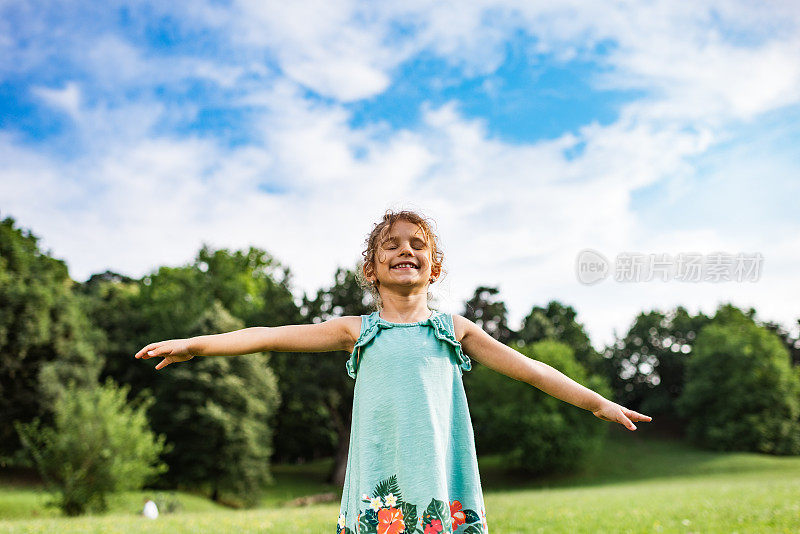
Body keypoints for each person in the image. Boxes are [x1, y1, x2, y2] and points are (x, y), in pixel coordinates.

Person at [134, 209, 652, 534]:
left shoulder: (455, 330)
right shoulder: (357, 330)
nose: (406, 249)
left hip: (438, 477)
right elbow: (268, 335)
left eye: (418, 244)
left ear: (435, 267)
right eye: (392, 245)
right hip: (378, 480)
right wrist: (195, 345)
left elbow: (534, 370)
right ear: (372, 269)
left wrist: (598, 402)